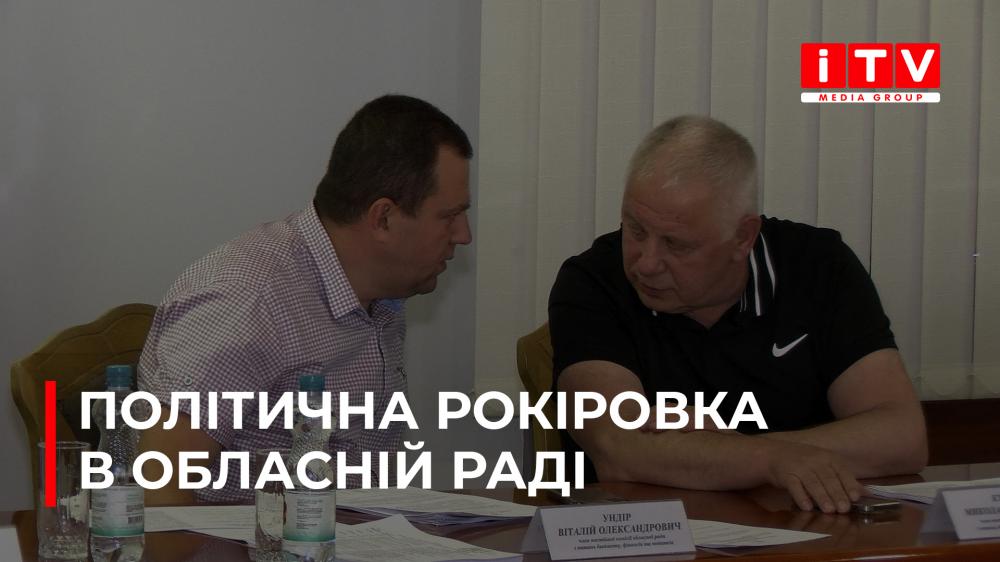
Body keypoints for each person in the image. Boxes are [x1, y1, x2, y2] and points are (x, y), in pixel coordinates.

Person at [548, 115, 927, 514]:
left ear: (743, 237)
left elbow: (902, 438)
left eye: (676, 245)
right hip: (640, 534)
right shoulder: (593, 280)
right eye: (636, 230)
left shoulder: (819, 266)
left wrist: (731, 451)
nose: (647, 263)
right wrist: (768, 460)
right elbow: (620, 449)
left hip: (803, 529)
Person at [138, 94, 473, 504]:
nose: (464, 235)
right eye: (449, 216)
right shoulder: (248, 300)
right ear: (383, 218)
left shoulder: (382, 296)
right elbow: (159, 500)